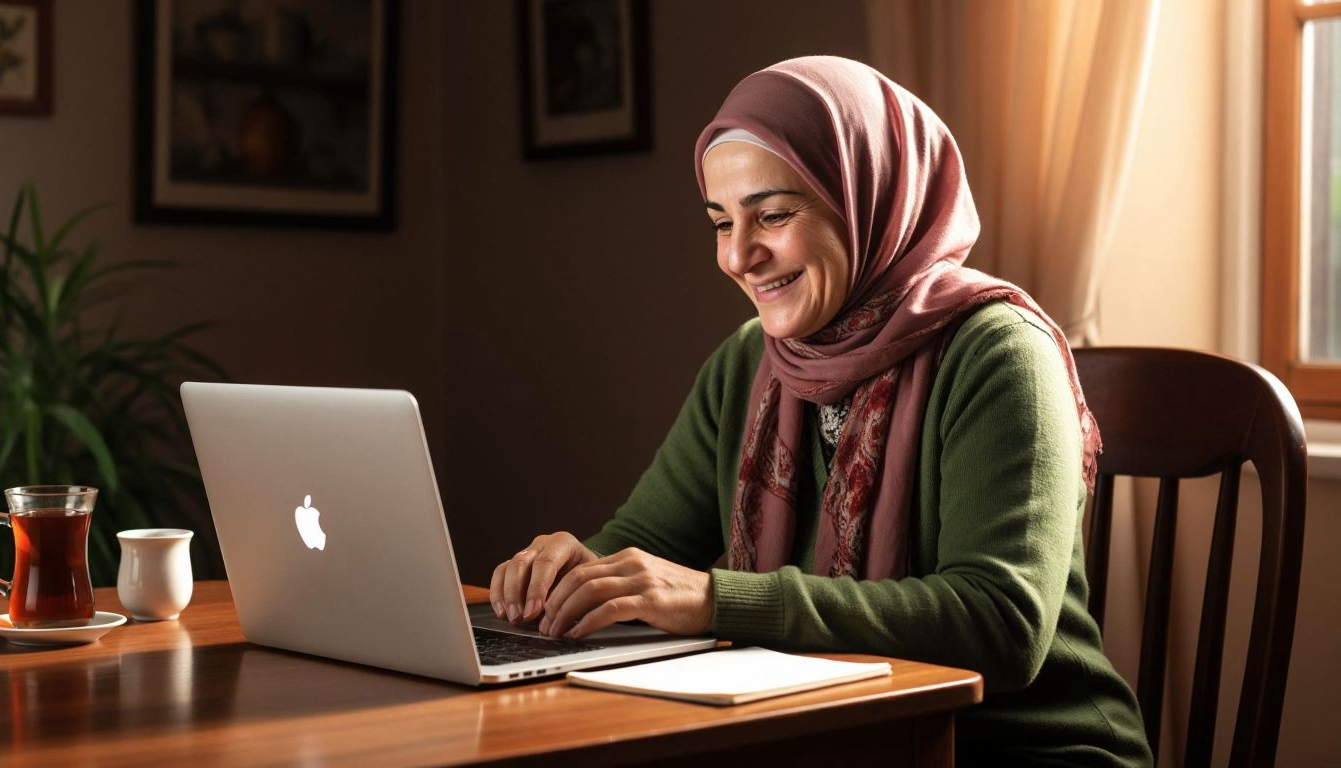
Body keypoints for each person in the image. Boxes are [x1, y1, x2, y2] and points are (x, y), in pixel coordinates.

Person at [489, 55, 1151, 766]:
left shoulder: (999, 354)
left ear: (866, 195)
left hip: (1026, 750)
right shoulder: (747, 364)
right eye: (720, 222)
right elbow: (646, 557)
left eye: (772, 214)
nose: (739, 256)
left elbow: (1001, 626)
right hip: (832, 741)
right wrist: (573, 574)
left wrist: (719, 600)